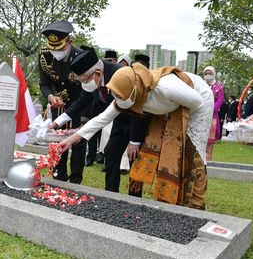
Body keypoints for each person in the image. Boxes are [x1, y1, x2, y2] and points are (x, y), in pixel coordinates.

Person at [60, 63, 214, 209]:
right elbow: (101, 119)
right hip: (170, 106)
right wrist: (70, 140)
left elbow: (198, 103)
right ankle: (170, 201)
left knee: (190, 153)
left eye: (120, 97)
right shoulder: (124, 93)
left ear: (134, 90)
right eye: (116, 96)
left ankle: (193, 204)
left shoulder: (167, 88)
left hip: (198, 101)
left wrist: (177, 131)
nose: (117, 100)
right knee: (156, 150)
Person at [50, 48, 147, 195]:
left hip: (137, 121)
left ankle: (134, 198)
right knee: (110, 153)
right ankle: (111, 194)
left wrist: (135, 141)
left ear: (97, 74)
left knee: (135, 157)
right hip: (116, 121)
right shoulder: (90, 80)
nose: (83, 83)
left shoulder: (120, 73)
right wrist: (57, 122)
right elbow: (81, 102)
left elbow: (139, 105)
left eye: (84, 79)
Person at [39, 20, 85, 184]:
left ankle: (75, 179)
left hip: (80, 104)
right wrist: (51, 97)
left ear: (69, 42)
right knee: (57, 139)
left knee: (78, 141)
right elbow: (44, 84)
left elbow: (87, 90)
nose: (56, 52)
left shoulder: (81, 57)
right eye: (53, 48)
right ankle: (59, 175)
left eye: (60, 48)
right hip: (58, 105)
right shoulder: (45, 56)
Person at [203, 66, 224, 160]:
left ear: (213, 74)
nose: (207, 75)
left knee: (209, 140)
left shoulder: (219, 87)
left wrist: (211, 109)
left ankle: (208, 160)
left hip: (212, 117)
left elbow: (220, 101)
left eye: (209, 73)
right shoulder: (201, 86)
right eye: (206, 73)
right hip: (201, 115)